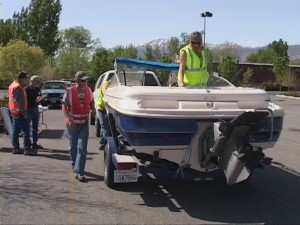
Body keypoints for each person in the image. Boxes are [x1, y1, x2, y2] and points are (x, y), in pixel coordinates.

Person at [62, 71, 96, 182]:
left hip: (84, 123)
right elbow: (64, 106)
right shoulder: (69, 91)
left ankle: (79, 171)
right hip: (72, 123)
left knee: (82, 147)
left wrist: (93, 109)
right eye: (82, 80)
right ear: (77, 81)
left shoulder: (89, 90)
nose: (85, 82)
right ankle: (74, 164)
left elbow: (91, 101)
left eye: (86, 80)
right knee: (73, 147)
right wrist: (68, 119)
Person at [8, 71, 33, 155]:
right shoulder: (18, 87)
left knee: (15, 131)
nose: (26, 80)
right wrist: (24, 113)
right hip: (20, 113)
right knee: (26, 131)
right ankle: (27, 149)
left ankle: (16, 148)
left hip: (14, 112)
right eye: (26, 79)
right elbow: (20, 102)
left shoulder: (12, 85)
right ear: (21, 79)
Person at [25, 75, 44, 151]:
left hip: (36, 108)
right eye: (36, 82)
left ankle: (34, 143)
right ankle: (27, 144)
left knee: (35, 127)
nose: (37, 84)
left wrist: (40, 98)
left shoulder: (37, 89)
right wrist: (34, 100)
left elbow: (39, 96)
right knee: (27, 127)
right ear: (32, 81)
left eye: (38, 82)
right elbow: (25, 101)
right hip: (28, 109)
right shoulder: (27, 89)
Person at [95, 79, 112, 150]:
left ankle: (102, 144)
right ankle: (106, 144)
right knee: (105, 127)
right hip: (101, 108)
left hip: (103, 107)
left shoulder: (107, 85)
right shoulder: (105, 84)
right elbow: (106, 95)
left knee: (103, 127)